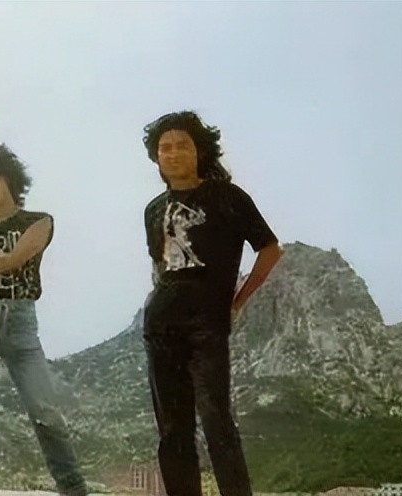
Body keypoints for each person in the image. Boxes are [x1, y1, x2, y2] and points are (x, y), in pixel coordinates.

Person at [141, 110, 283, 496]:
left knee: (217, 420)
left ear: (199, 151)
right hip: (161, 325)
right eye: (164, 148)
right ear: (156, 157)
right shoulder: (153, 209)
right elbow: (159, 264)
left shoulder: (228, 198)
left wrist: (238, 302)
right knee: (172, 429)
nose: (173, 153)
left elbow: (270, 250)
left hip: (208, 324)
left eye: (181, 145)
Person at [0, 143, 88, 496]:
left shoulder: (38, 222)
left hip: (22, 324)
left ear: (7, 177)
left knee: (45, 409)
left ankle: (73, 489)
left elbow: (14, 258)